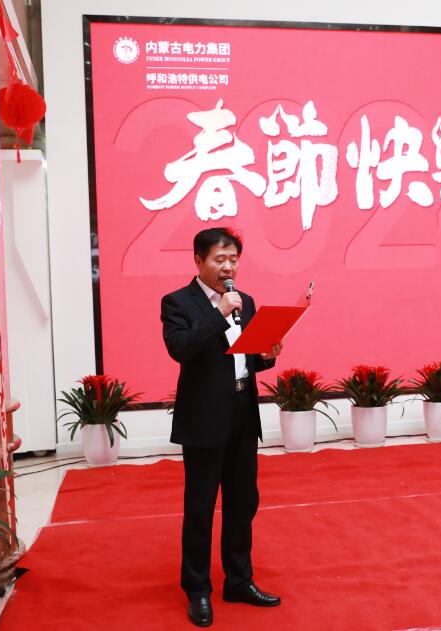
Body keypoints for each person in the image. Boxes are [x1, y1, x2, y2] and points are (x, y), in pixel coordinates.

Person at [161, 227, 284, 628]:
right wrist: (217, 314)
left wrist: (267, 354)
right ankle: (197, 589)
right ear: (199, 261)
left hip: (242, 412)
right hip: (203, 417)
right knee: (200, 507)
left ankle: (239, 580)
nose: (228, 267)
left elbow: (245, 358)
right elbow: (181, 349)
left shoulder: (245, 301)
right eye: (219, 259)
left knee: (242, 501)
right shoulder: (178, 302)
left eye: (233, 259)